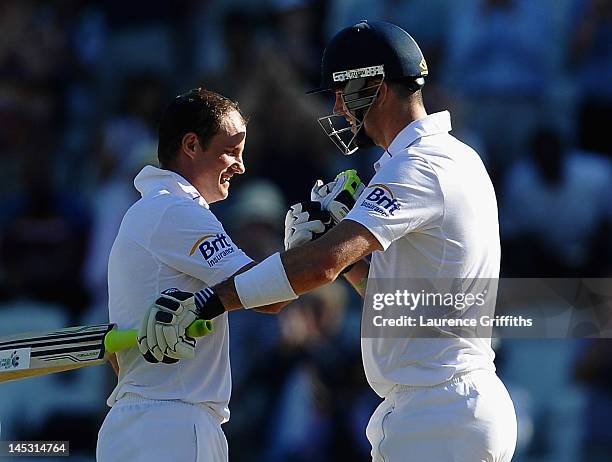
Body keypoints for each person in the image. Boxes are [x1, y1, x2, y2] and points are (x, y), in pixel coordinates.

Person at [140, 21, 518, 461]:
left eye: (343, 90)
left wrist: (209, 301)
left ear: (375, 87)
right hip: (446, 406)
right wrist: (349, 259)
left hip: (440, 410)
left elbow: (321, 265)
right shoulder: (455, 156)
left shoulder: (421, 165)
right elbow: (392, 304)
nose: (338, 106)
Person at [96, 88, 287, 462]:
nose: (240, 166)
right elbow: (270, 294)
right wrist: (306, 244)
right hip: (172, 425)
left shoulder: (151, 211)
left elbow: (118, 360)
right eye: (231, 150)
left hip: (145, 424)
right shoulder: (175, 210)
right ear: (191, 145)